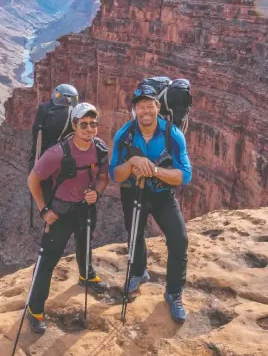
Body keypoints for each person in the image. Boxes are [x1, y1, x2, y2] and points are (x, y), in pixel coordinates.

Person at [109, 85, 192, 323]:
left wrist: (154, 170)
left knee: (179, 239)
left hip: (162, 194)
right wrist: (134, 161)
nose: (145, 111)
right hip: (132, 193)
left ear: (158, 107)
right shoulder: (124, 135)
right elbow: (115, 174)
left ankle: (174, 292)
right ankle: (138, 273)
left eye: (149, 106)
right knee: (134, 234)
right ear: (134, 109)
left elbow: (185, 176)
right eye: (140, 106)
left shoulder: (172, 134)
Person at [27, 102, 110, 333]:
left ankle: (87, 276)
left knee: (85, 244)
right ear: (74, 125)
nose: (89, 129)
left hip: (85, 208)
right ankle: (35, 310)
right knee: (47, 261)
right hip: (60, 213)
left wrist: (98, 192)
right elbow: (32, 180)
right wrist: (44, 209)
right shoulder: (56, 153)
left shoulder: (100, 149)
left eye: (93, 124)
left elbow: (103, 177)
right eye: (83, 124)